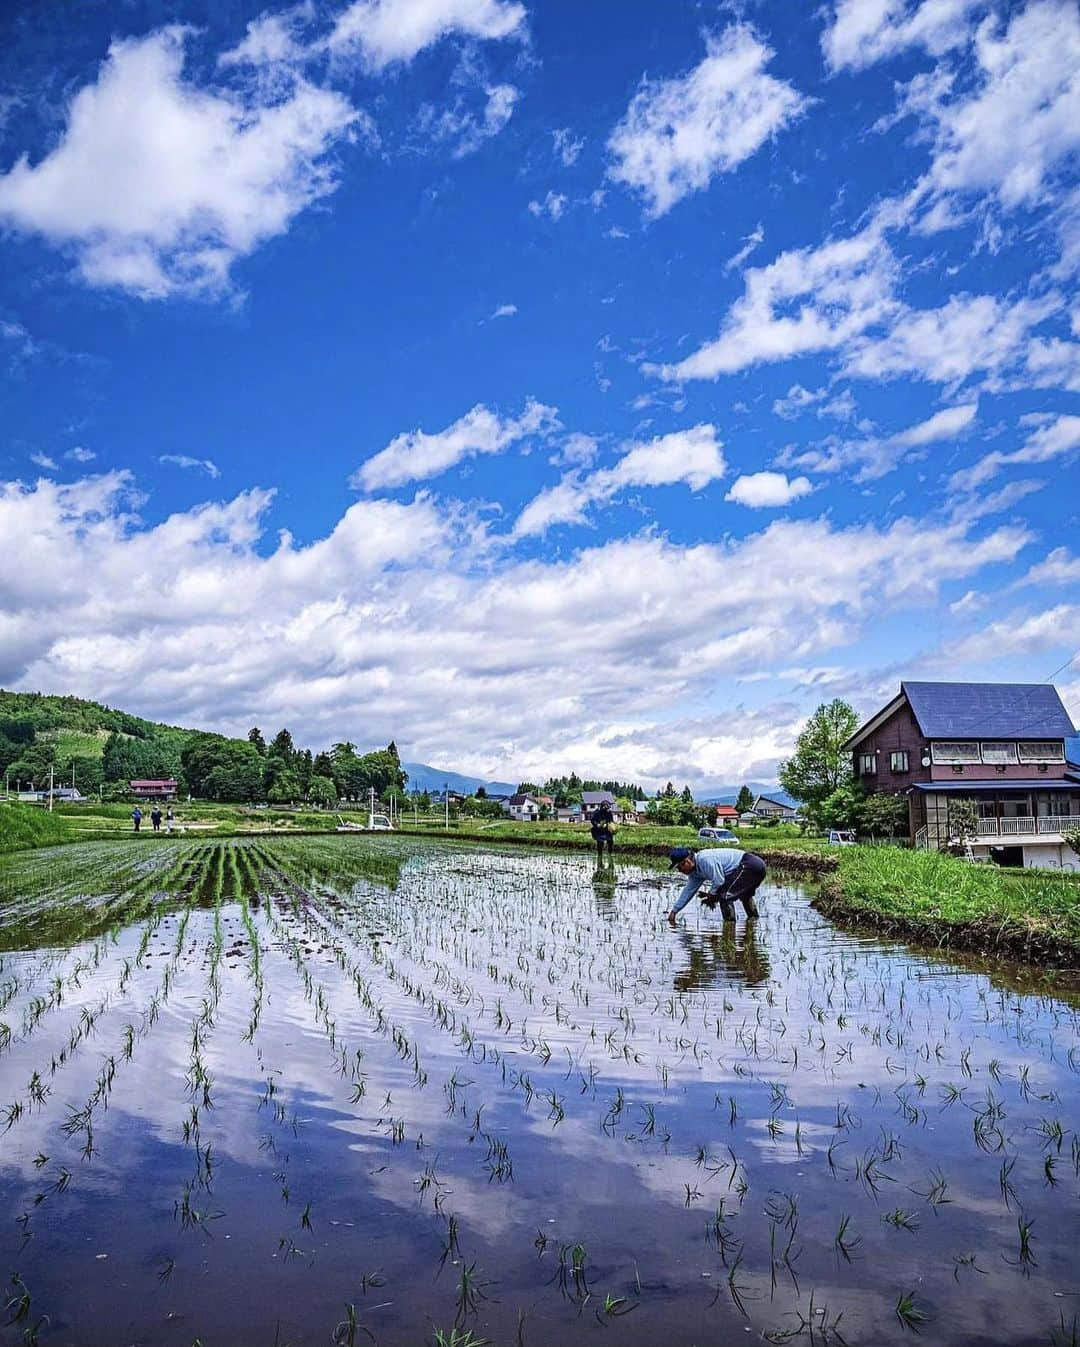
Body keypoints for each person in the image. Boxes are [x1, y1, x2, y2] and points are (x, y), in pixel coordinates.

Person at [666, 846, 766, 927]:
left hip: (750, 865)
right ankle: (753, 924)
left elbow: (719, 880)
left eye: (679, 867)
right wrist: (674, 911)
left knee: (725, 896)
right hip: (752, 866)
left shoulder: (704, 860)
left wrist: (711, 894)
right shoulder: (695, 873)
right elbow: (688, 891)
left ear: (687, 861)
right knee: (745, 895)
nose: (680, 871)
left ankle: (729, 928)